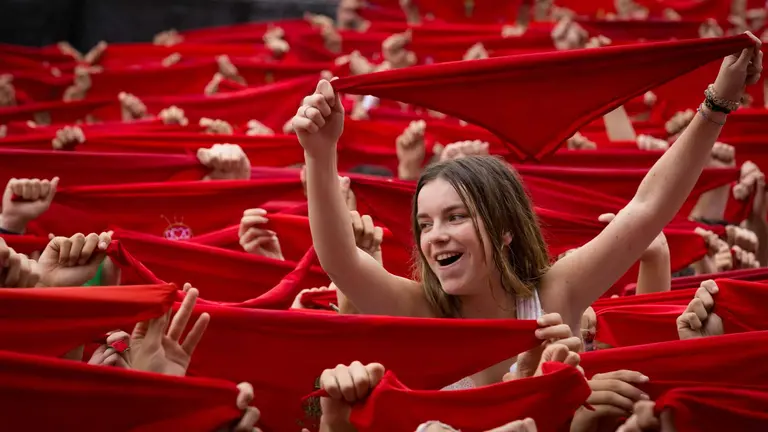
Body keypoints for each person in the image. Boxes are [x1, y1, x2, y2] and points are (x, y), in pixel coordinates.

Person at [292, 33, 763, 388]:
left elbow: (645, 208)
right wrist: (319, 152)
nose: (434, 235)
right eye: (425, 224)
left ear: (504, 232)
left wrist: (717, 104)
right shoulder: (420, 312)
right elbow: (341, 260)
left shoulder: (555, 293)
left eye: (456, 217)